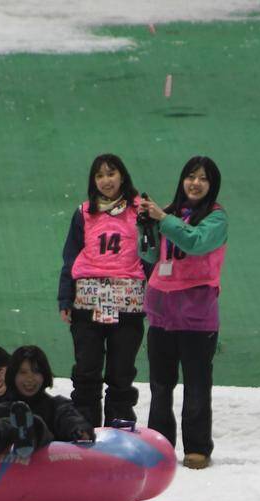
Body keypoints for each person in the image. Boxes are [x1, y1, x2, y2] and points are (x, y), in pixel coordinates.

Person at [137, 156, 228, 470]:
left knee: (196, 384)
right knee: (160, 385)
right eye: (191, 176)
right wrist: (146, 227)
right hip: (162, 312)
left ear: (212, 185)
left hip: (197, 315)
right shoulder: (171, 213)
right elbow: (150, 254)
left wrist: (161, 218)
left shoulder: (216, 218)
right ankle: (160, 446)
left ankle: (197, 448)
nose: (196, 183)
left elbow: (194, 243)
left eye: (203, 178)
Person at [57, 153, 148, 428]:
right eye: (99, 175)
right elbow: (71, 257)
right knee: (86, 371)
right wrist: (65, 297)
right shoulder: (84, 212)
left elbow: (152, 254)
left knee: (121, 372)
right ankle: (84, 429)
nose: (106, 180)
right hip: (87, 300)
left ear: (122, 176)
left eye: (111, 173)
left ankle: (119, 429)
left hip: (128, 301)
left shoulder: (141, 210)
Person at [0, 345, 94, 466]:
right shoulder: (2, 408)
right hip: (9, 475)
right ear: (13, 375)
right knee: (1, 423)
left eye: (36, 372)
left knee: (35, 423)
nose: (30, 378)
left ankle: (28, 433)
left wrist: (79, 429)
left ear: (45, 375)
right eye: (23, 372)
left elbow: (69, 417)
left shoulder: (56, 405)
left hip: (50, 470)